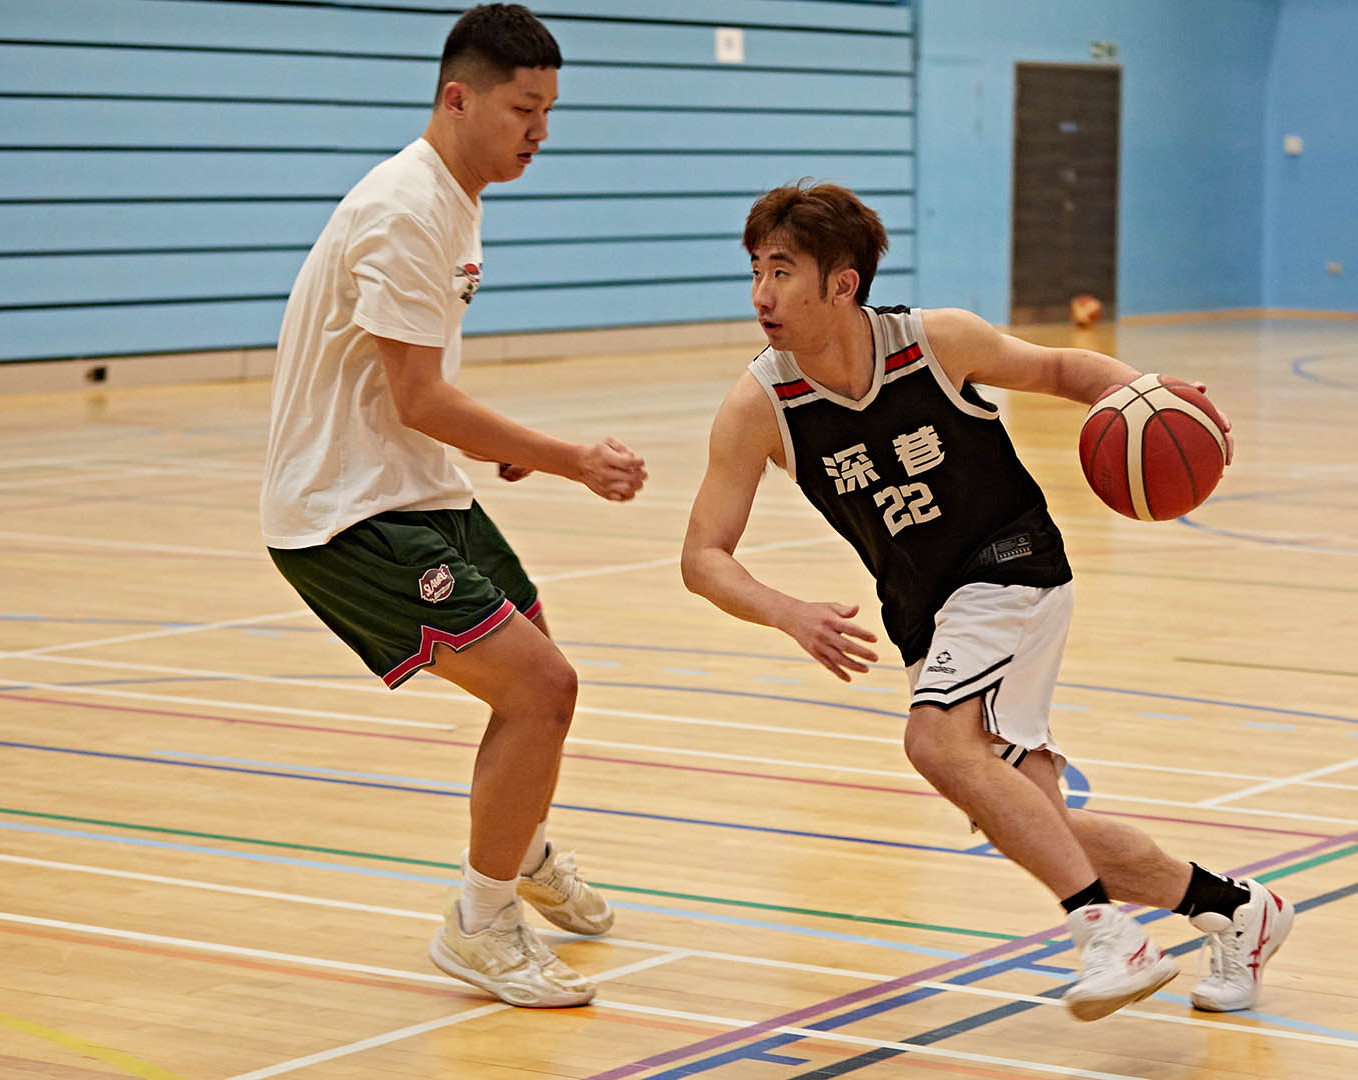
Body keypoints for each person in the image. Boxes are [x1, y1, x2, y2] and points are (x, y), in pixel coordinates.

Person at [680, 181, 1291, 1020]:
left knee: (933, 741)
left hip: (1014, 564)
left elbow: (1063, 369)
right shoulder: (762, 405)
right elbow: (703, 556)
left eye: (782, 271)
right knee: (1033, 823)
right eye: (755, 270)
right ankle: (1238, 911)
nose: (761, 294)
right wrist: (789, 612)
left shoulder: (935, 342)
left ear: (842, 284)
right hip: (925, 618)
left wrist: (1152, 396)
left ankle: (1106, 934)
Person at [259, 4, 646, 1008]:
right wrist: (564, 458)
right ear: (457, 97)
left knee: (540, 667)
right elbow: (418, 396)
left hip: (415, 487)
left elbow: (419, 391)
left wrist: (488, 448)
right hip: (346, 513)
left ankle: (518, 848)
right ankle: (480, 923)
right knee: (541, 688)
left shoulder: (454, 196)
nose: (541, 132)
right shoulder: (406, 208)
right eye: (525, 108)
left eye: (550, 110)